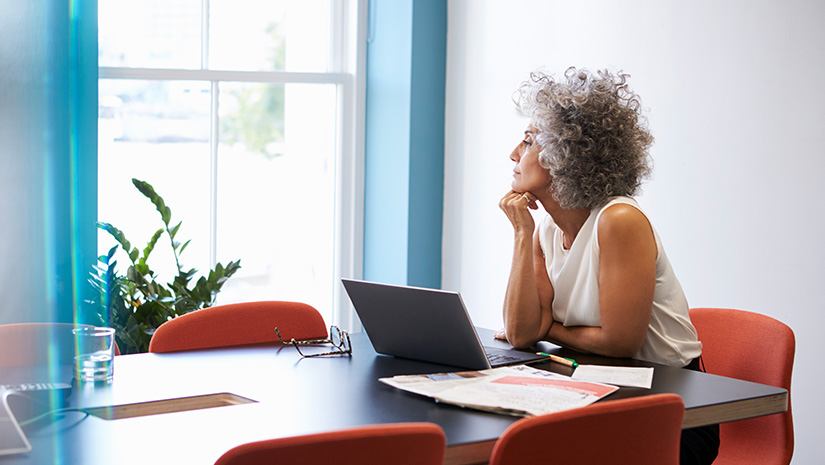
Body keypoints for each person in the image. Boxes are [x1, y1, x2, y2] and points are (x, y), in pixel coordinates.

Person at [496, 67, 719, 465]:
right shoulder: (544, 228)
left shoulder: (619, 222)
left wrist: (550, 328)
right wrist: (519, 233)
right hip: (602, 391)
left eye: (529, 141)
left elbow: (620, 343)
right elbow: (520, 333)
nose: (514, 153)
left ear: (567, 155)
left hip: (672, 409)